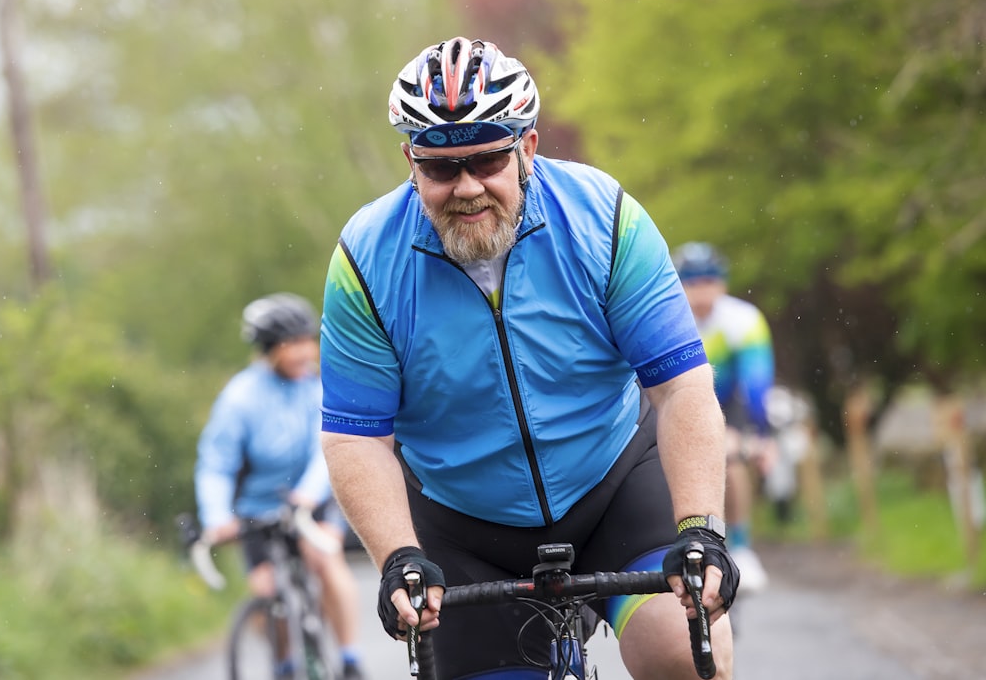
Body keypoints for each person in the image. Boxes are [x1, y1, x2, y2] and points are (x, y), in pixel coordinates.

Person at [320, 37, 738, 680]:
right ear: (410, 161)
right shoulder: (365, 262)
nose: (465, 188)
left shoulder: (606, 219)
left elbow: (681, 387)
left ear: (528, 148)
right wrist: (398, 553)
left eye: (486, 160)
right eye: (439, 169)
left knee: (681, 652)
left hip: (614, 483)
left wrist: (700, 529)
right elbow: (355, 436)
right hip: (464, 526)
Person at [195, 293, 366, 679]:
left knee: (324, 558)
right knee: (266, 590)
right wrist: (217, 517)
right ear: (269, 351)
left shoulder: (315, 389)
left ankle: (351, 659)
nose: (304, 352)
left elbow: (326, 448)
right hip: (257, 511)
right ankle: (286, 662)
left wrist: (307, 494)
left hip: (310, 500)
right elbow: (215, 464)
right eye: (291, 345)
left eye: (307, 341)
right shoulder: (240, 399)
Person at [671, 242, 777, 592]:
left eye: (709, 281)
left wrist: (762, 436)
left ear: (723, 284)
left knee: (729, 455)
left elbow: (756, 386)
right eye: (691, 282)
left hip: (728, 409)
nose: (701, 291)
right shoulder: (666, 316)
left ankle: (743, 547)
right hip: (675, 406)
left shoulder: (742, 319)